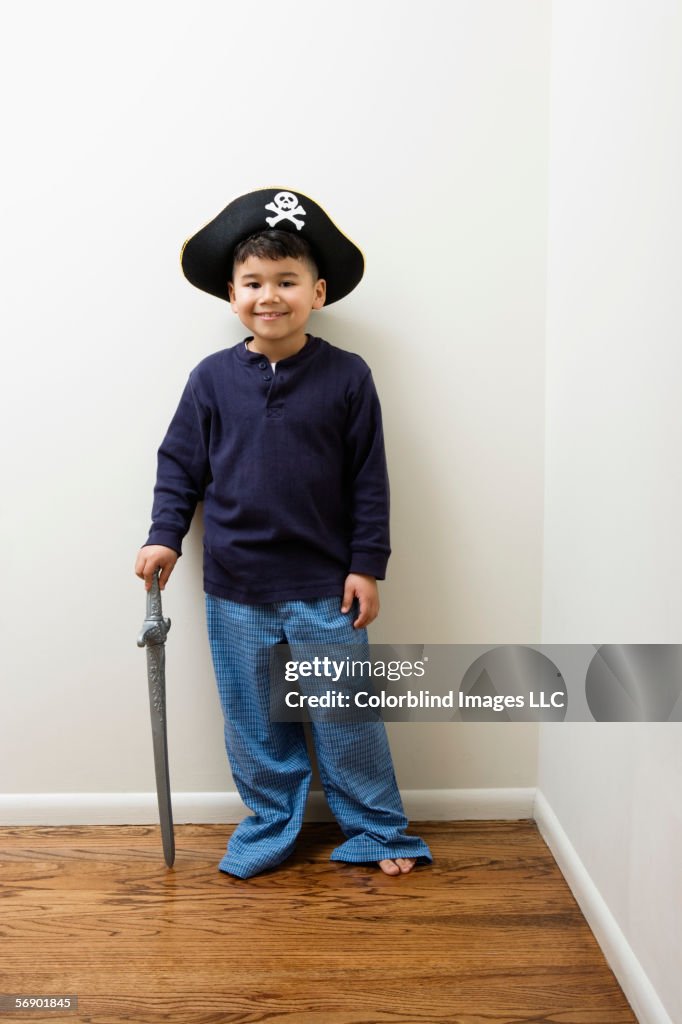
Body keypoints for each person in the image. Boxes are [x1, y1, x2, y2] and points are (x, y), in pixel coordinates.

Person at [135, 187, 432, 879]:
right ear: (232, 294)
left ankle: (377, 828)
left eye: (287, 281)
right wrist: (164, 537)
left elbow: (369, 479)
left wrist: (367, 564)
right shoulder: (210, 381)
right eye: (255, 282)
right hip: (236, 587)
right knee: (255, 725)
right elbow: (180, 467)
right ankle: (271, 824)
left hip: (326, 587)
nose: (271, 295)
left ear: (317, 292)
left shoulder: (348, 377)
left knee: (345, 716)